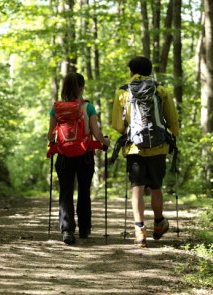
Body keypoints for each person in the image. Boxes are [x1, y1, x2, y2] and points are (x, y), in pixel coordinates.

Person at [112, 56, 179, 247]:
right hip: (158, 147)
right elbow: (173, 122)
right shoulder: (160, 90)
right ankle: (159, 223)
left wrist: (129, 133)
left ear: (131, 71)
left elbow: (117, 125)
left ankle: (139, 231)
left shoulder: (123, 93)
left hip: (134, 149)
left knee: (137, 188)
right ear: (149, 71)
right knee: (156, 187)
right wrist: (171, 136)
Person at [47, 72, 110, 245]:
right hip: (85, 155)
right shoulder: (87, 107)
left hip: (63, 156)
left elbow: (50, 136)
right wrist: (106, 142)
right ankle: (84, 229)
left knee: (66, 191)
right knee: (84, 190)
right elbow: (96, 133)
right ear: (81, 87)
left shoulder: (57, 108)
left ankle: (67, 230)